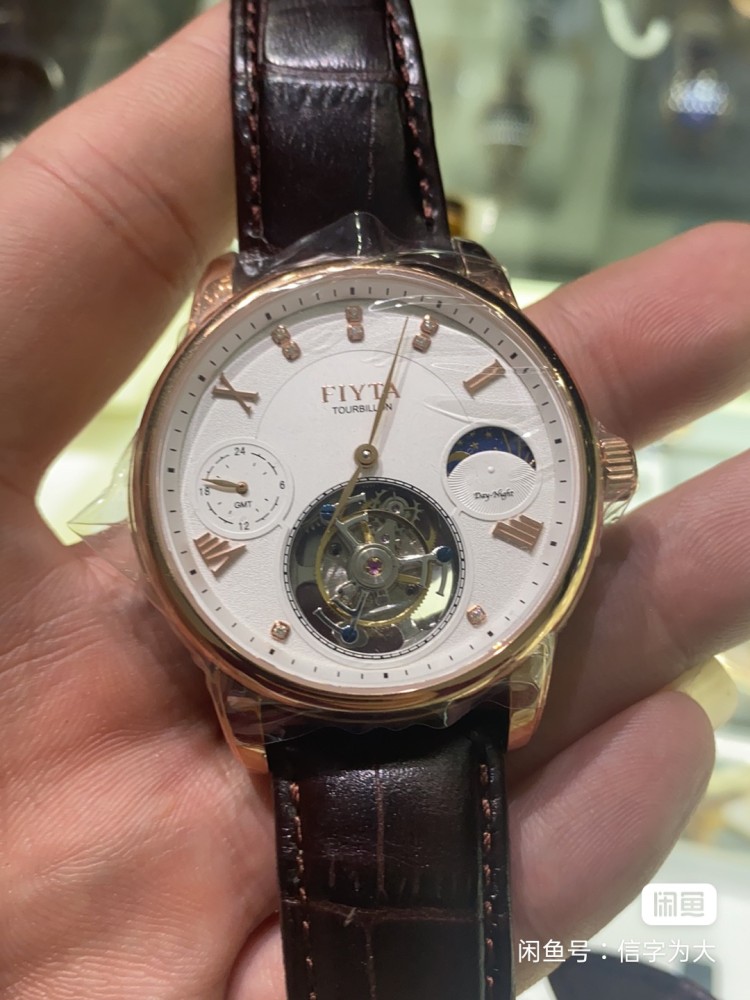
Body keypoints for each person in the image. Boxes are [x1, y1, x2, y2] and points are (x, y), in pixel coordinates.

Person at [0, 5, 747, 999]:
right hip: (306, 665)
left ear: (599, 472)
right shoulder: (247, 308)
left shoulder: (460, 298)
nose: (362, 456)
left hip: (447, 659)